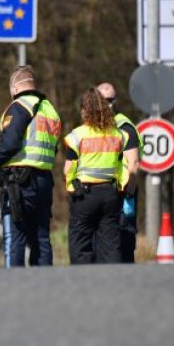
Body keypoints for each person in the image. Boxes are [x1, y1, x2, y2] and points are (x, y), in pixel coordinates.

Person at [0, 65, 62, 267]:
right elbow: (53, 148)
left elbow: (9, 143)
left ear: (14, 87)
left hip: (19, 182)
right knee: (41, 238)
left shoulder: (20, 106)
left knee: (15, 236)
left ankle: (14, 286)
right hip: (44, 180)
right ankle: (42, 285)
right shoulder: (51, 110)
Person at [64, 88, 130, 264]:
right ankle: (110, 283)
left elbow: (68, 168)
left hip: (84, 194)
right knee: (110, 243)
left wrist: (71, 187)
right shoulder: (119, 135)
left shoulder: (77, 135)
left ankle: (85, 284)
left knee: (80, 244)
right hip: (111, 194)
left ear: (85, 111)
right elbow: (124, 166)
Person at [96, 82, 141, 263]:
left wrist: (129, 192)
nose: (107, 104)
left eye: (111, 100)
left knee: (123, 239)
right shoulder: (95, 126)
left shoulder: (124, 126)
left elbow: (134, 164)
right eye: (103, 100)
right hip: (103, 190)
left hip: (123, 190)